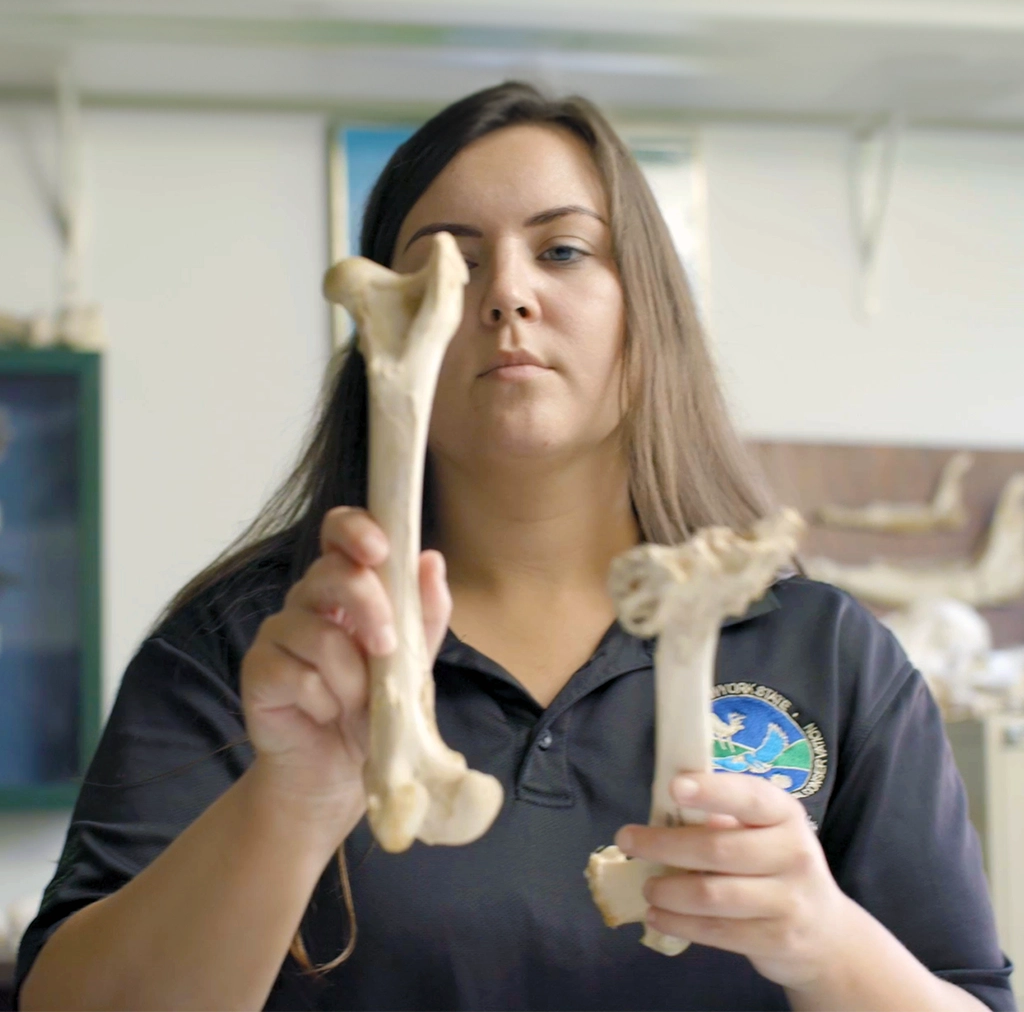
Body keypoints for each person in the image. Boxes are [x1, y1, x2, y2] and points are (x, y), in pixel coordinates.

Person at [14, 82, 1016, 1012]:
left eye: (564, 251)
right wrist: (290, 800)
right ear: (377, 340)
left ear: (647, 310)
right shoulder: (257, 652)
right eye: (445, 264)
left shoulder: (826, 656)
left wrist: (822, 937)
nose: (504, 296)